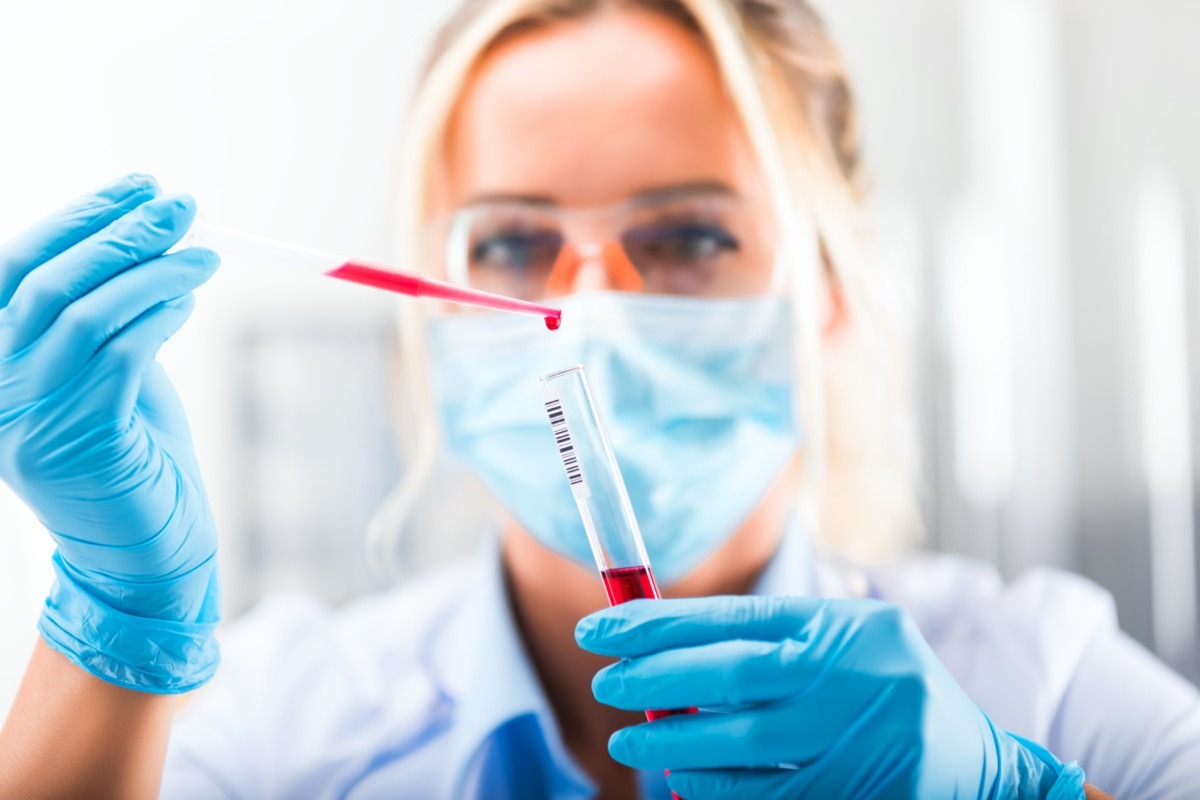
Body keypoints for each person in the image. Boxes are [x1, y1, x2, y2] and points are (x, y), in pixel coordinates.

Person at [1, 0, 1198, 798]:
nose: (590, 308)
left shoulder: (1048, 680)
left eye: (683, 234)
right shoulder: (277, 731)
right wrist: (120, 619)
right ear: (427, 306)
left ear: (828, 288)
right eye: (515, 245)